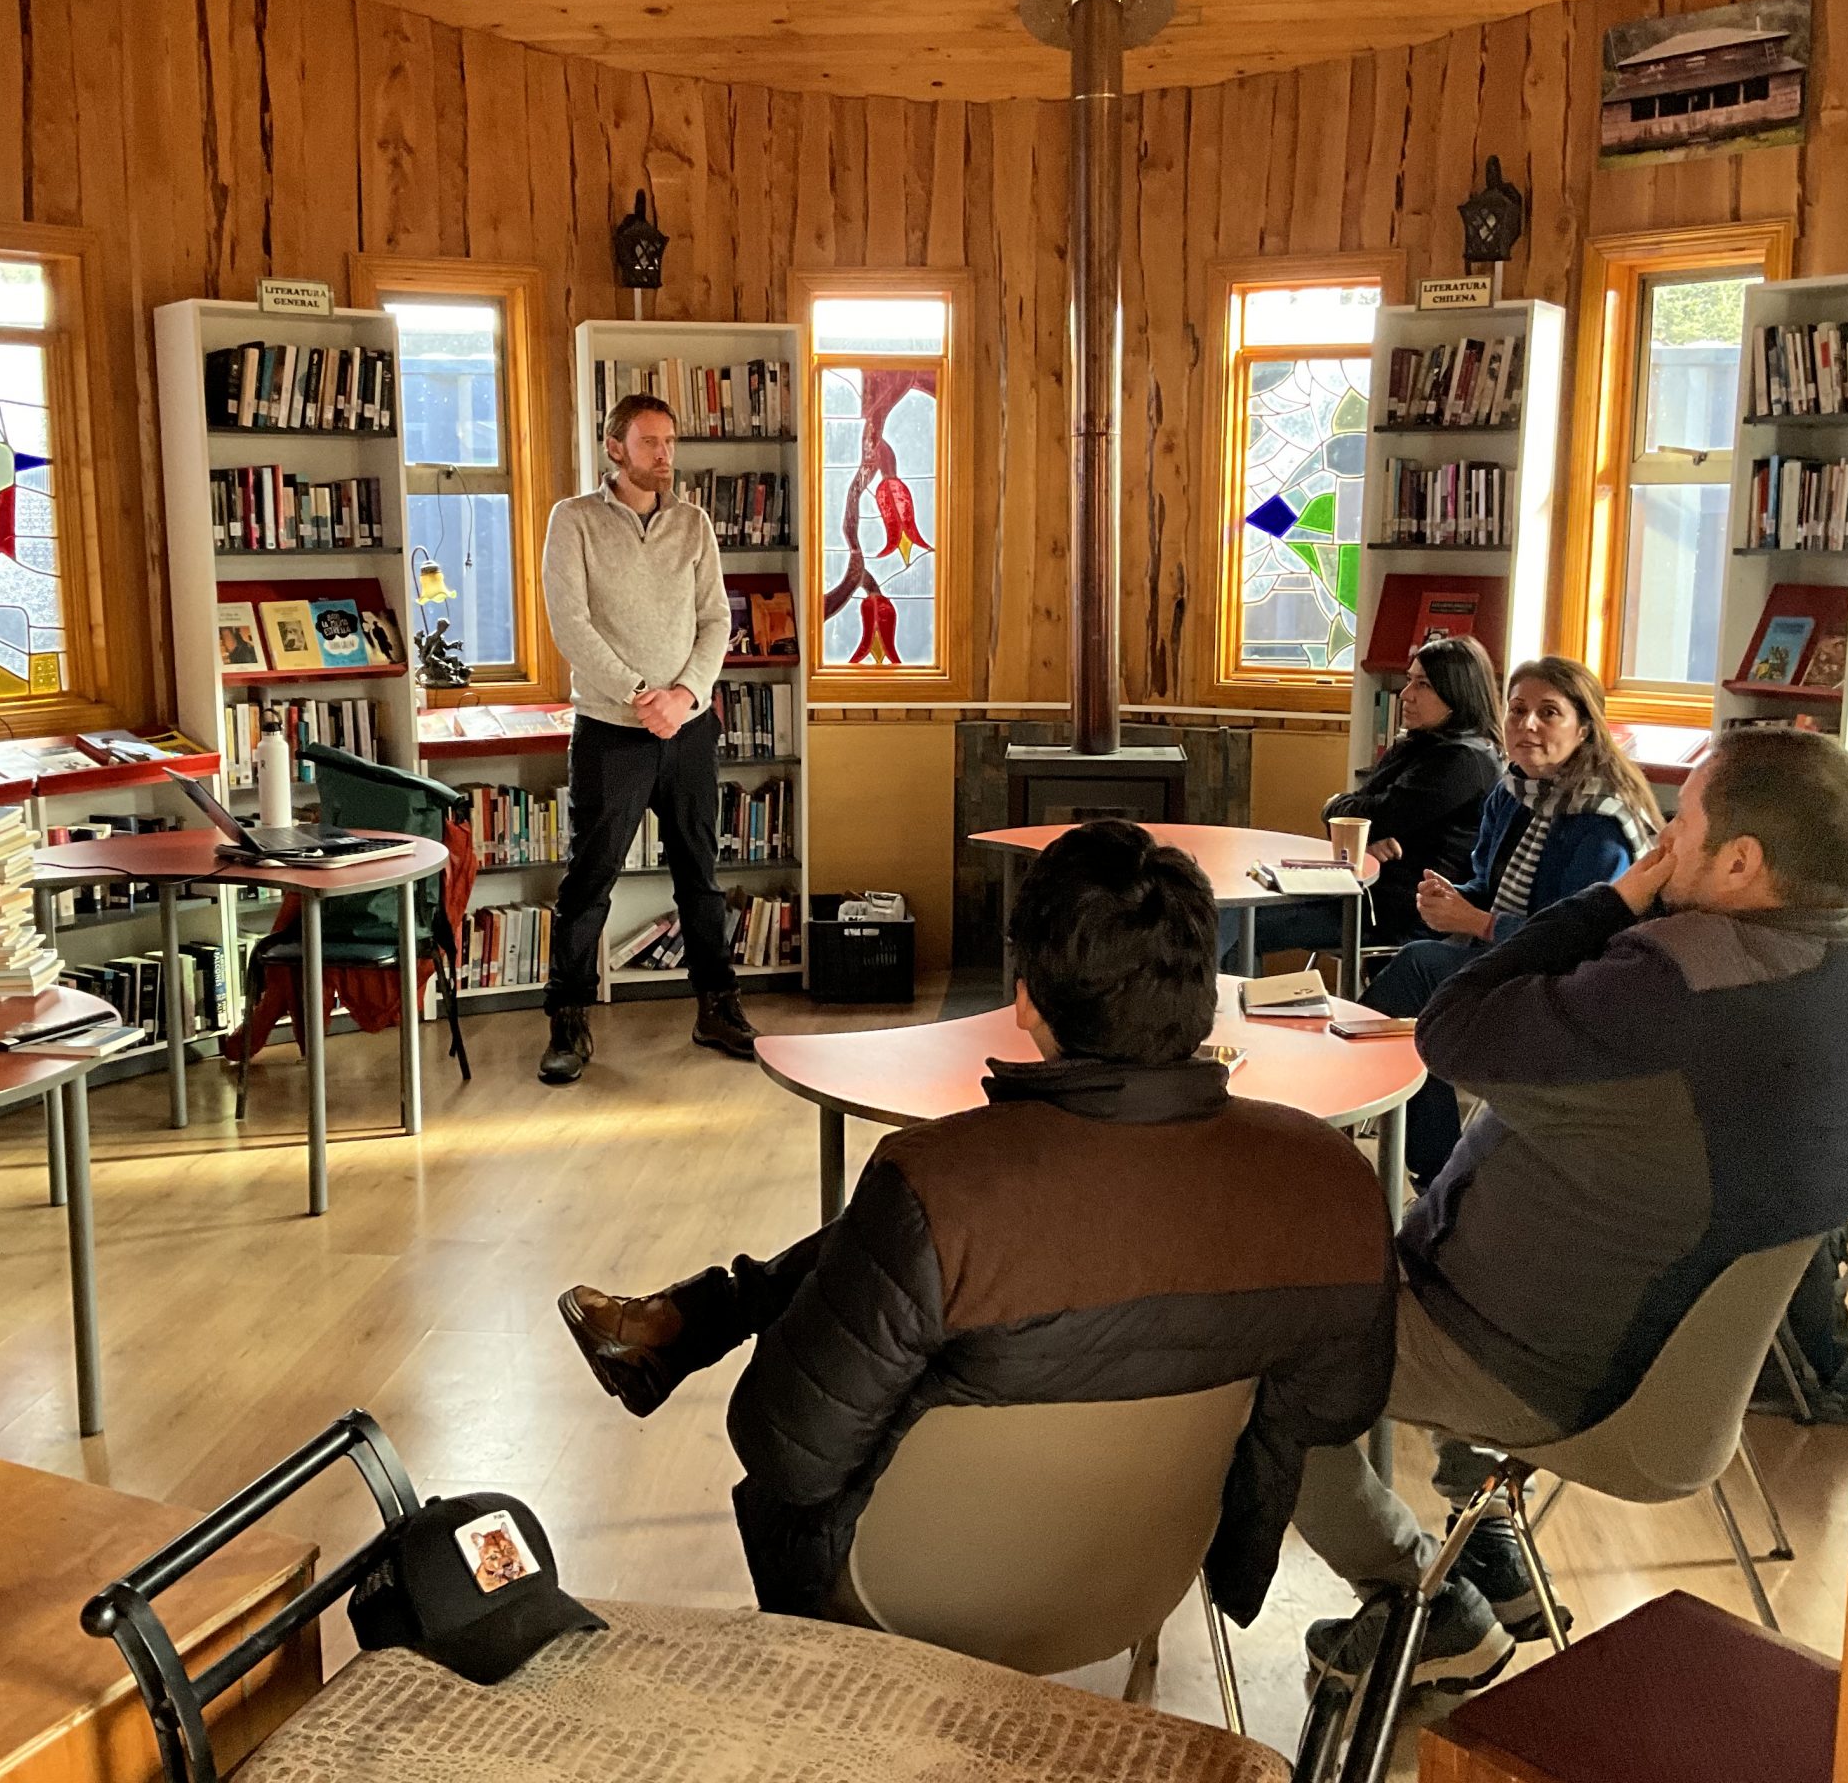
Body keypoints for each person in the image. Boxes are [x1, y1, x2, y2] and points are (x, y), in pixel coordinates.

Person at [554, 819, 1398, 1627]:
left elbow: (786, 1452)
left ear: (1026, 1002)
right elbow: (1331, 1411)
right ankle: (693, 1319)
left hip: (902, 1600)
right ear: (1200, 995)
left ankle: (693, 1320)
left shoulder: (938, 1181)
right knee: (918, 1257)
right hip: (1148, 1575)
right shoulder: (1331, 1180)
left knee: (914, 1260)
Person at [1298, 727, 1848, 1696]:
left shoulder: (1674, 989)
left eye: (1683, 822)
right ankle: (1489, 1554)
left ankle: (1423, 1603)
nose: (1661, 836)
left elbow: (1449, 1028)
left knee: (1260, 1341)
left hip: (1535, 1356)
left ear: (1740, 863)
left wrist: (1616, 897)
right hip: (1657, 1359)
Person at [1366, 655, 1659, 1182]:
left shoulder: (1600, 821)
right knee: (1410, 1018)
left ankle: (1397, 1143)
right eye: (1518, 710)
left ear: (1584, 728)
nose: (1527, 725)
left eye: (1548, 713)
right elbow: (1490, 885)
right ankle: (1431, 1168)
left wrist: (1475, 921)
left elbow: (1577, 942)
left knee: (1412, 983)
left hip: (1572, 989)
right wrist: (1450, 897)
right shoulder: (1513, 792)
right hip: (1504, 956)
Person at [536, 393, 754, 1083]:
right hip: (611, 731)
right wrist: (638, 695)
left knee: (701, 876)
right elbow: (570, 624)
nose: (665, 456)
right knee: (589, 881)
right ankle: (568, 1022)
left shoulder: (693, 525)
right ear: (614, 448)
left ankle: (717, 1007)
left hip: (687, 730)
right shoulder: (572, 521)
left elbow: (716, 621)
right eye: (650, 443)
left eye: (670, 442)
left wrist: (685, 695)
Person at [1224, 636, 1505, 967]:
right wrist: (1358, 828)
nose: (1406, 694)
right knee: (1236, 913)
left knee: (1236, 927)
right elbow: (1357, 812)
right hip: (1361, 892)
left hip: (1395, 913)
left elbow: (1369, 814)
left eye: (1423, 685)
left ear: (1458, 694)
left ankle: (1232, 1017)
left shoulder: (1462, 761)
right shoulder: (1419, 745)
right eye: (1409, 680)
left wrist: (1358, 824)